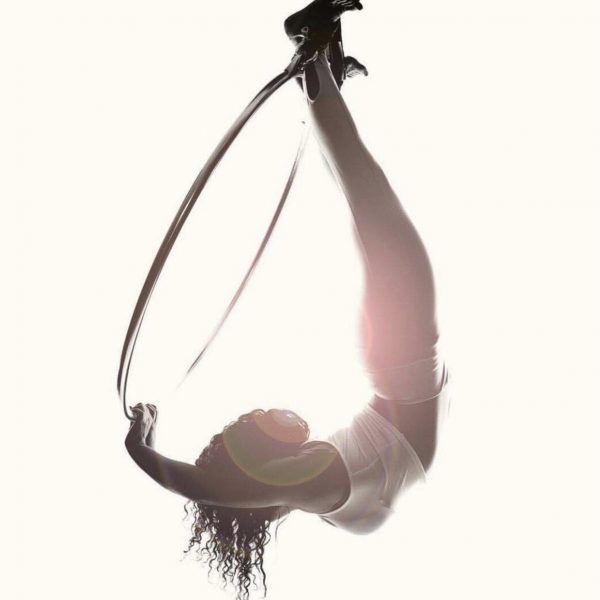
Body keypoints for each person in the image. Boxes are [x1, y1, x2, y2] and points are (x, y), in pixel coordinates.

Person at [125, 1, 450, 598]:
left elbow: (222, 486)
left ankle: (317, 61)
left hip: (403, 362)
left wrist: (145, 447)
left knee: (367, 198)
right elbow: (213, 486)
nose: (272, 412)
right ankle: (319, 68)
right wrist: (142, 449)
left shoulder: (317, 486)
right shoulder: (313, 487)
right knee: (365, 197)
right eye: (263, 423)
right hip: (403, 366)